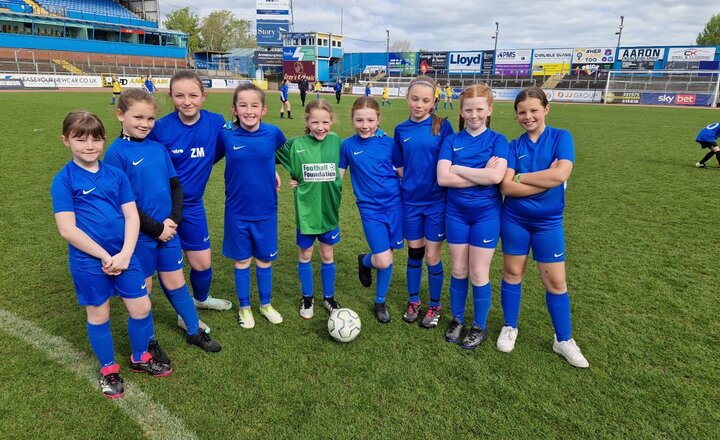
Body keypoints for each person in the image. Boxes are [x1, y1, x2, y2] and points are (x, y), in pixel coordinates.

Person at [51, 111, 172, 399]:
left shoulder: (116, 175)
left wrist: (126, 253)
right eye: (80, 139)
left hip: (126, 256)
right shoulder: (64, 180)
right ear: (65, 141)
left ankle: (140, 357)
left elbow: (132, 216)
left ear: (104, 140)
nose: (89, 145)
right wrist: (106, 256)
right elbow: (68, 230)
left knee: (141, 308)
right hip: (90, 262)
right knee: (99, 314)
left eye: (95, 139)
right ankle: (108, 368)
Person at [104, 89, 221, 356]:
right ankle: (150, 342)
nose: (145, 124)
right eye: (138, 117)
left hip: (168, 232)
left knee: (176, 282)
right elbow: (125, 204)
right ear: (120, 115)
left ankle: (194, 330)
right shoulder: (116, 154)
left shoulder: (158, 149)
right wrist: (157, 228)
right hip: (140, 237)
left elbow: (176, 188)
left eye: (150, 118)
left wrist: (172, 221)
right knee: (144, 290)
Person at [498, 87, 589, 368]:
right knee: (513, 273)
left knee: (556, 282)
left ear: (546, 109)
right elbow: (506, 187)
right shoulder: (513, 146)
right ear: (516, 116)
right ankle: (510, 326)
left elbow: (562, 173)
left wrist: (523, 177)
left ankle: (563, 339)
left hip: (549, 222)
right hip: (514, 219)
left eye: (534, 110)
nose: (528, 116)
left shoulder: (562, 137)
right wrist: (543, 180)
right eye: (522, 112)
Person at [147, 70, 232, 330]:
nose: (187, 101)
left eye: (193, 95)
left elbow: (236, 149)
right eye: (180, 95)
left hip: (193, 206)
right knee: (169, 266)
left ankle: (201, 299)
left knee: (202, 263)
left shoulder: (216, 123)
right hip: (163, 209)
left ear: (204, 96)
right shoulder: (159, 128)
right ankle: (182, 314)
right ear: (171, 96)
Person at [437, 84, 508, 350]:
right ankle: (457, 319)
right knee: (458, 269)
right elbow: (442, 178)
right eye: (469, 109)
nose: (474, 114)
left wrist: (458, 168)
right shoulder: (452, 140)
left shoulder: (498, 140)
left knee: (479, 273)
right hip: (456, 214)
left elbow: (496, 177)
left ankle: (479, 325)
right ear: (462, 111)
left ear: (489, 110)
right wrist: (479, 175)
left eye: (480, 109)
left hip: (486, 216)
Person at [217, 83, 287, 328]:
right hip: (237, 212)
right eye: (243, 105)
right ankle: (245, 307)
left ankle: (265, 304)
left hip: (266, 210)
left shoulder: (273, 133)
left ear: (264, 109)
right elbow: (209, 158)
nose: (249, 110)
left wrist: (274, 172)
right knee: (242, 261)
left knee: (264, 261)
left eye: (254, 105)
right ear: (234, 109)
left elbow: (283, 155)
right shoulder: (225, 134)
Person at [393, 76, 454, 328]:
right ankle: (414, 300)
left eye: (425, 100)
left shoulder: (442, 126)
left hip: (437, 202)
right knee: (415, 253)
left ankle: (435, 305)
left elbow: (451, 162)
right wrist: (412, 181)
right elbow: (399, 165)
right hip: (411, 202)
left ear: (433, 102)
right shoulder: (400, 129)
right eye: (415, 99)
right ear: (407, 99)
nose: (419, 104)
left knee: (432, 256)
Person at [276, 100, 343, 319]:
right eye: (315, 122)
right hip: (306, 213)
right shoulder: (295, 145)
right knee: (305, 254)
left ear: (331, 121)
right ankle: (307, 298)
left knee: (327, 254)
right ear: (307, 121)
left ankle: (329, 298)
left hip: (329, 211)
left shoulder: (336, 142)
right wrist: (283, 176)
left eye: (325, 122)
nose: (320, 127)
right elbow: (267, 154)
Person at [340, 97, 403, 323]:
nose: (365, 125)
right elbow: (337, 178)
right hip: (370, 210)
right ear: (352, 120)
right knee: (383, 260)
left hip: (396, 207)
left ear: (378, 119)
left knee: (388, 255)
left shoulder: (390, 144)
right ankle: (365, 261)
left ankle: (380, 301)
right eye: (359, 120)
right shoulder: (347, 146)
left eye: (370, 120)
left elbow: (403, 173)